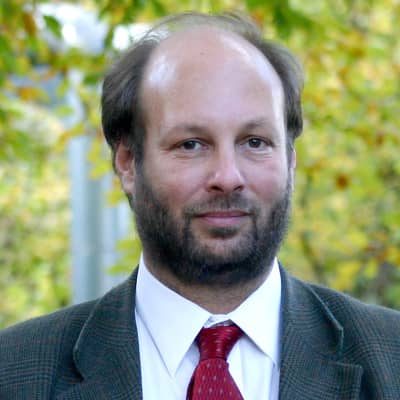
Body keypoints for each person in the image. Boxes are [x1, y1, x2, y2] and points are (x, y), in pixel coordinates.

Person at [1, 11, 399, 400]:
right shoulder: (14, 373)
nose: (228, 176)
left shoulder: (391, 358)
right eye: (191, 144)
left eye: (255, 142)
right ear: (128, 163)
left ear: (291, 159)